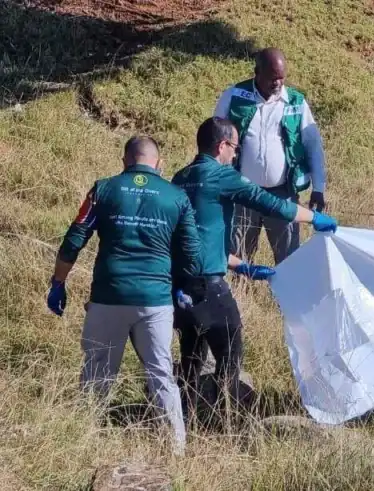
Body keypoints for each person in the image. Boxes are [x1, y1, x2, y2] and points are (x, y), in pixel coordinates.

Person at [171, 116, 337, 416]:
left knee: (191, 358)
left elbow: (197, 239)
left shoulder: (179, 179)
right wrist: (314, 219)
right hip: (209, 285)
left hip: (179, 284)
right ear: (222, 146)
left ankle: (185, 421)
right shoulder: (222, 176)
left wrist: (242, 266)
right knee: (230, 349)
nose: (235, 155)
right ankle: (228, 419)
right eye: (234, 147)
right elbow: (269, 203)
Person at [46, 135, 200, 455]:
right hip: (155, 301)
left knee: (97, 372)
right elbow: (192, 255)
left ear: (124, 161)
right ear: (159, 164)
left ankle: (82, 446)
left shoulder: (103, 189)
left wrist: (58, 283)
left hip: (108, 297)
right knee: (161, 375)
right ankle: (176, 451)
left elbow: (74, 239)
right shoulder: (176, 197)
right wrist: (182, 288)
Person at [213, 47, 327, 265]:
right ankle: (241, 297)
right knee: (237, 259)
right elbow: (214, 141)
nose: (277, 83)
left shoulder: (295, 102)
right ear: (257, 72)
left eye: (281, 78)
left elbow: (313, 146)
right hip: (242, 193)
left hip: (282, 195)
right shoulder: (234, 96)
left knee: (290, 261)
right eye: (272, 78)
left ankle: (286, 299)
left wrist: (319, 188)